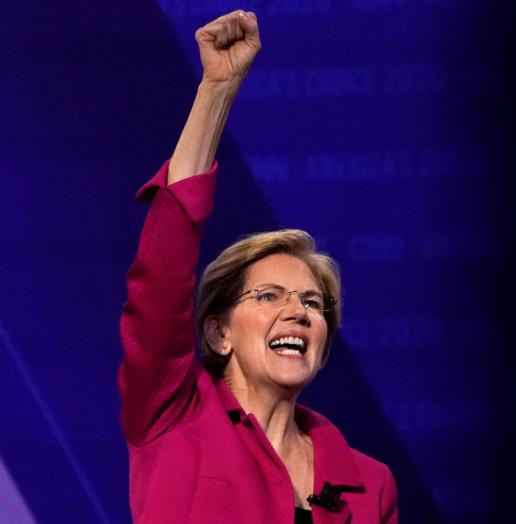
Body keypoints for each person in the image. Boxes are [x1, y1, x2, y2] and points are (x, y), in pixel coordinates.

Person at [119, 9, 398, 524]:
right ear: (219, 332)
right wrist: (217, 90)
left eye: (312, 303)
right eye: (269, 295)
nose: (297, 311)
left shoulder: (370, 484)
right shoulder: (172, 418)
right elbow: (162, 271)